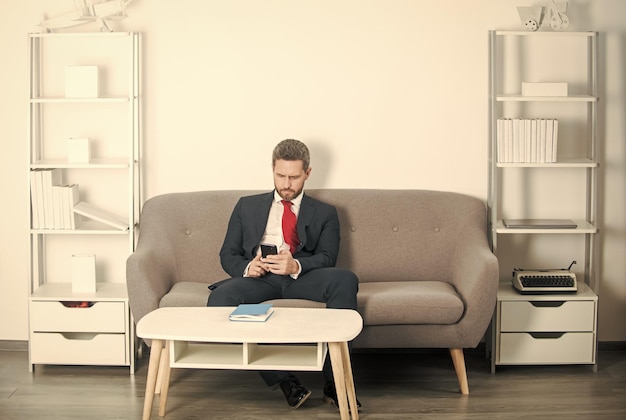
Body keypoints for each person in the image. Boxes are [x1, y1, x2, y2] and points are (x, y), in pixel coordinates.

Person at [208, 139, 360, 410]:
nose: (286, 183)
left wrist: (296, 266)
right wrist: (247, 268)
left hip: (301, 277)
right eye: (280, 176)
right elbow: (227, 253)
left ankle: (335, 383)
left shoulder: (326, 212)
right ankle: (285, 380)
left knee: (345, 279)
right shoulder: (246, 206)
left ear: (308, 173)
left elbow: (328, 256)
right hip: (260, 278)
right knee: (219, 300)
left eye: (294, 177)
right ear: (272, 170)